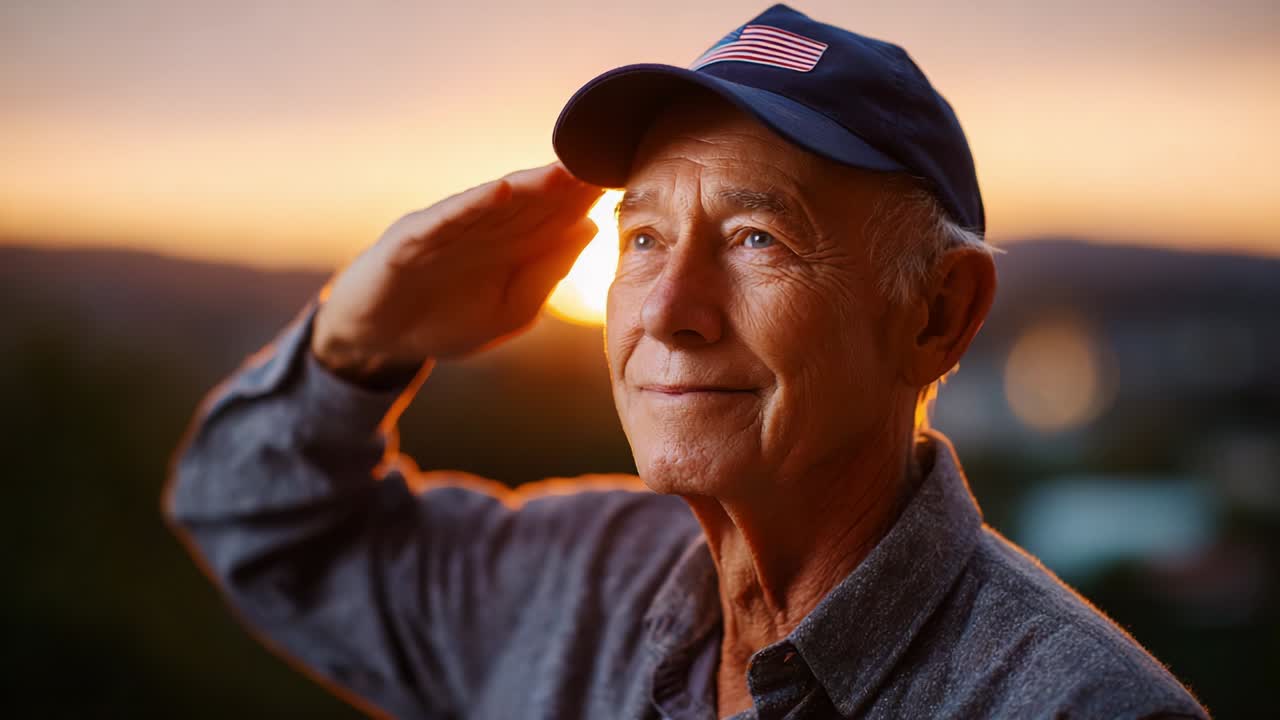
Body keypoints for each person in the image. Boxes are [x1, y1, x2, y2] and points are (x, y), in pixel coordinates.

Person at [164, 5, 1208, 719]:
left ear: (937, 315)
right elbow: (252, 524)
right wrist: (353, 347)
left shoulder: (1076, 706)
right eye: (644, 238)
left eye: (757, 238)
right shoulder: (566, 582)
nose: (667, 312)